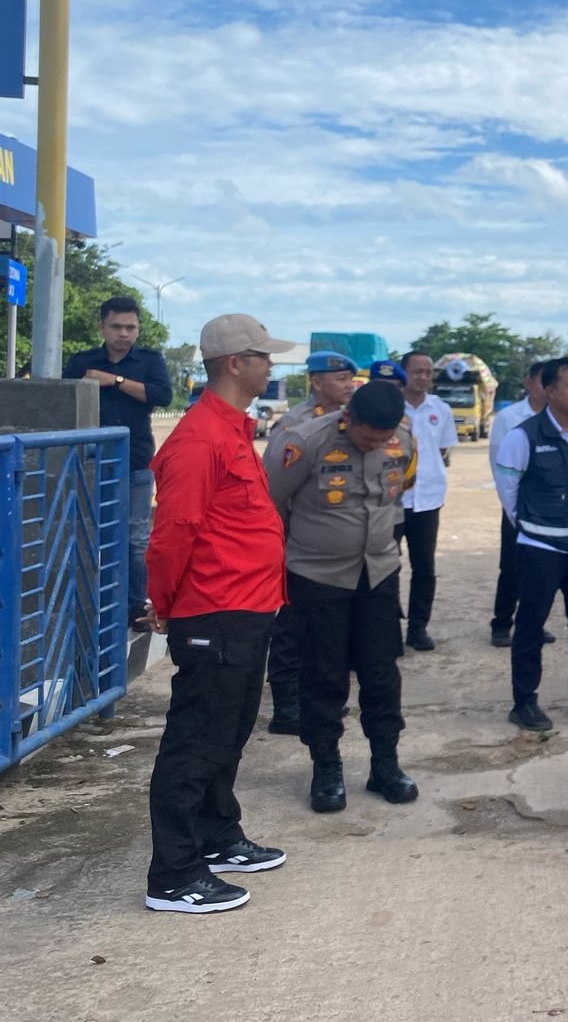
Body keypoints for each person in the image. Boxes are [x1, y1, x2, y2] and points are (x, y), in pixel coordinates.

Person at [142, 314, 294, 914]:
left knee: (228, 732)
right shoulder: (200, 438)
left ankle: (217, 834)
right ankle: (173, 873)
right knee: (197, 739)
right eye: (264, 356)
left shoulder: (231, 428)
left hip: (247, 608)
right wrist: (165, 603)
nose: (271, 365)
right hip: (215, 611)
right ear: (235, 363)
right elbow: (172, 534)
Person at [267, 383, 420, 814]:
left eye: (382, 439)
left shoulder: (403, 440)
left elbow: (401, 490)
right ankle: (326, 768)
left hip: (379, 573)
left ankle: (385, 764)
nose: (375, 445)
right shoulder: (304, 441)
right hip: (317, 577)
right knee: (323, 675)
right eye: (367, 437)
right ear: (348, 417)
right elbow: (270, 501)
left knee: (382, 674)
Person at [494, 357, 568, 731]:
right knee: (530, 626)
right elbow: (508, 491)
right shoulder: (522, 436)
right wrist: (533, 527)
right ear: (549, 390)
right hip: (540, 548)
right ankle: (524, 702)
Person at [264, 350, 360, 736]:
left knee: (327, 628)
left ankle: (317, 696)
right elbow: (274, 488)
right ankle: (286, 705)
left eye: (350, 378)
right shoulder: (294, 424)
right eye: (340, 378)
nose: (349, 384)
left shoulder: (352, 421)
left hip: (333, 544)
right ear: (316, 381)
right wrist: (284, 534)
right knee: (291, 625)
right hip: (297, 541)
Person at [66, 295, 172, 629]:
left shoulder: (150, 361)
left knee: (135, 538)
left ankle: (133, 607)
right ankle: (84, 606)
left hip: (135, 462)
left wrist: (116, 381)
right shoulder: (83, 362)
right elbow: (62, 400)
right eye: (116, 327)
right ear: (102, 327)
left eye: (130, 327)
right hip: (88, 462)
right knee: (86, 534)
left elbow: (162, 395)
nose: (124, 334)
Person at [394, 351, 456, 652]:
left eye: (428, 372)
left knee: (424, 568)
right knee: (386, 567)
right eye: (417, 371)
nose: (423, 377)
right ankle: (388, 628)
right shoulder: (391, 407)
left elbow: (443, 450)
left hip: (428, 499)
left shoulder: (440, 409)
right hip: (392, 500)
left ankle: (418, 628)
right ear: (403, 373)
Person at [487, 361, 551, 648]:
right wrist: (512, 508)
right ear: (529, 383)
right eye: (541, 382)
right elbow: (498, 465)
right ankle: (501, 625)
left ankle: (534, 623)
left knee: (542, 569)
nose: (546, 389)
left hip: (549, 506)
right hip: (518, 503)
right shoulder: (509, 417)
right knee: (512, 567)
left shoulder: (559, 417)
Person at [270, 350, 357, 434]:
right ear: (317, 383)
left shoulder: (350, 418)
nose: (350, 386)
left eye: (351, 379)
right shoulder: (294, 421)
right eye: (342, 379)